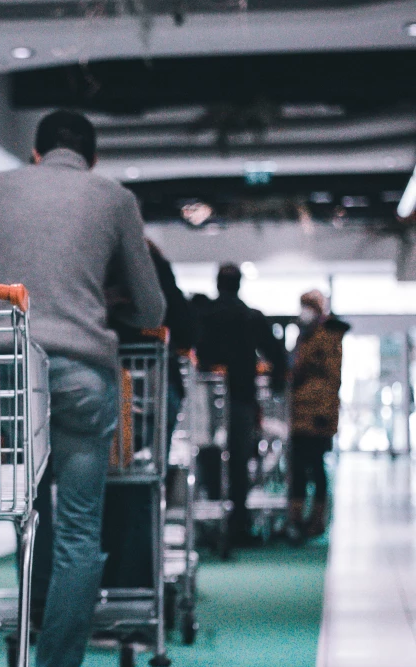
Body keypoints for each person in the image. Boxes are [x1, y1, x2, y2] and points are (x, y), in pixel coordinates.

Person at [0, 110, 165, 667]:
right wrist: (106, 299)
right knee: (80, 531)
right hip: (83, 373)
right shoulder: (113, 197)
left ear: (36, 153)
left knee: (27, 515)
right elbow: (151, 303)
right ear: (91, 156)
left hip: (10, 370)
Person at [101, 239, 198, 589]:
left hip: (112, 386)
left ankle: (109, 580)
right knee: (143, 481)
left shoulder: (99, 272)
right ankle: (138, 583)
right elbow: (185, 331)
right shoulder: (158, 272)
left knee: (107, 486)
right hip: (154, 388)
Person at [196, 264, 286, 550]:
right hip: (242, 395)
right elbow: (276, 353)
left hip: (207, 396)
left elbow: (194, 347)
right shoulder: (251, 316)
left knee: (207, 454)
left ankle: (210, 520)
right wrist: (276, 384)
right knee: (238, 460)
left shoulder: (205, 315)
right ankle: (238, 523)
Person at [287, 290, 348, 544]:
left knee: (316, 467)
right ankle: (296, 519)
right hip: (300, 412)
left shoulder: (328, 337)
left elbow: (331, 378)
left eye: (308, 306)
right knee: (298, 468)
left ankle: (318, 518)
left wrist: (325, 413)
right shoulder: (305, 336)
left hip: (318, 415)